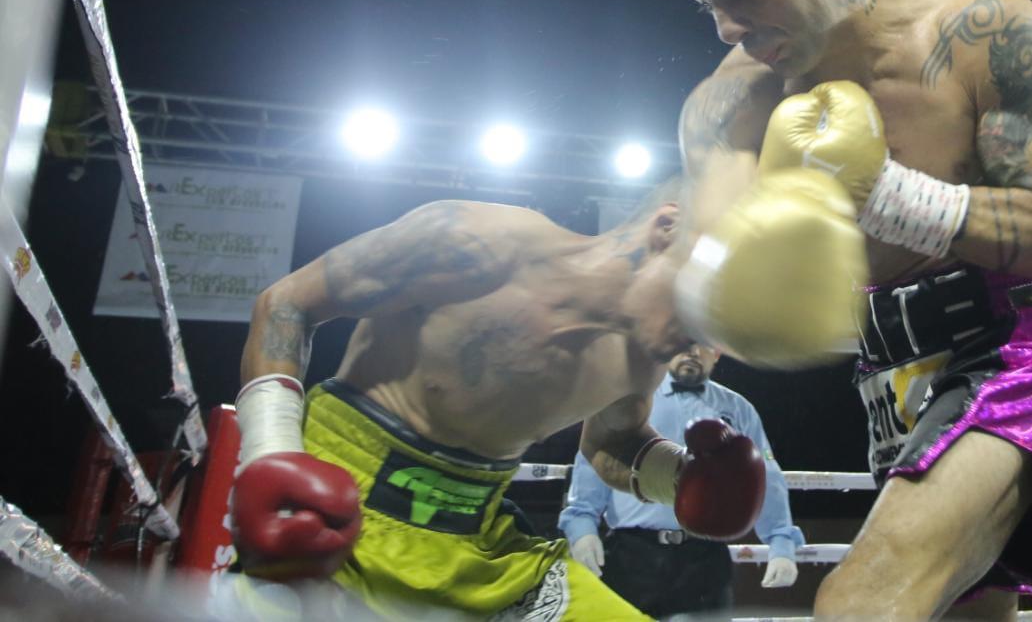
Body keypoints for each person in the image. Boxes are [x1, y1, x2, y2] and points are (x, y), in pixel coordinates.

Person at [667, 0, 1032, 619]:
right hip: (885, 377)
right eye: (705, 2)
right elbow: (710, 287)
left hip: (1010, 345)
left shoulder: (978, 28)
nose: (729, 26)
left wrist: (884, 193)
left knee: (860, 602)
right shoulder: (722, 107)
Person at [226, 180, 770, 620]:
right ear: (667, 228)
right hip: (334, 513)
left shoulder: (643, 354)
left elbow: (614, 441)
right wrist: (272, 458)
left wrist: (681, 478)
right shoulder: (476, 242)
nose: (709, 337)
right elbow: (287, 305)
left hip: (481, 550)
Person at [558, 343, 803, 618]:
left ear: (718, 353)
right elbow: (597, 457)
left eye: (703, 345)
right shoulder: (633, 399)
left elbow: (765, 477)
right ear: (669, 346)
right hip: (632, 554)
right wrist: (582, 526)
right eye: (686, 343)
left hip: (706, 559)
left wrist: (781, 541)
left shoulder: (738, 409)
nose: (693, 352)